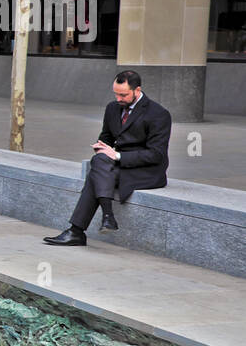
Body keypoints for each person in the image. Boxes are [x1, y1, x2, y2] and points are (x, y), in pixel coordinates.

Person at [43, 70, 172, 247]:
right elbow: (106, 137)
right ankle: (106, 216)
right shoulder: (112, 108)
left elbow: (156, 154)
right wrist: (101, 146)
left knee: (97, 172)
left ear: (137, 90)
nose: (118, 98)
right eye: (116, 93)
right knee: (99, 161)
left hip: (145, 171)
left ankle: (78, 230)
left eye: (123, 94)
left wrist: (118, 155)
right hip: (116, 166)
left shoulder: (158, 114)